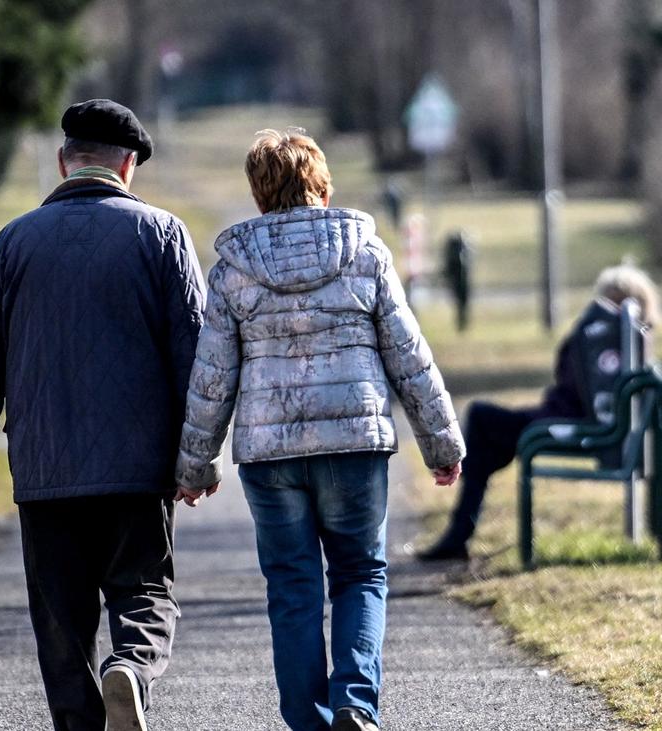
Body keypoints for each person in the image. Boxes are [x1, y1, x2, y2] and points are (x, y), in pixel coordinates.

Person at [174, 129, 466, 731]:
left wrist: (196, 465)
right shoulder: (365, 255)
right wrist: (441, 443)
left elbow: (212, 377)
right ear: (322, 187)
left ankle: (310, 721)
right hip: (355, 444)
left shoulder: (232, 273)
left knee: (292, 585)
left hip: (269, 454)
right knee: (359, 572)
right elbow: (409, 356)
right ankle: (354, 703)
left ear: (259, 195)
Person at [0, 99, 207, 731]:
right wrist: (199, 459)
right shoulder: (162, 235)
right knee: (144, 591)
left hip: (45, 469)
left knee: (61, 627)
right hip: (138, 469)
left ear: (65, 162)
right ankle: (132, 668)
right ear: (128, 166)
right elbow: (198, 357)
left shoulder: (13, 242)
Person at [414, 264, 662, 562]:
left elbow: (570, 379)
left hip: (569, 421)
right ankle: (462, 524)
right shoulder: (631, 339)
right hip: (573, 417)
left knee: (481, 420)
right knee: (485, 438)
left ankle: (460, 528)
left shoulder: (602, 337)